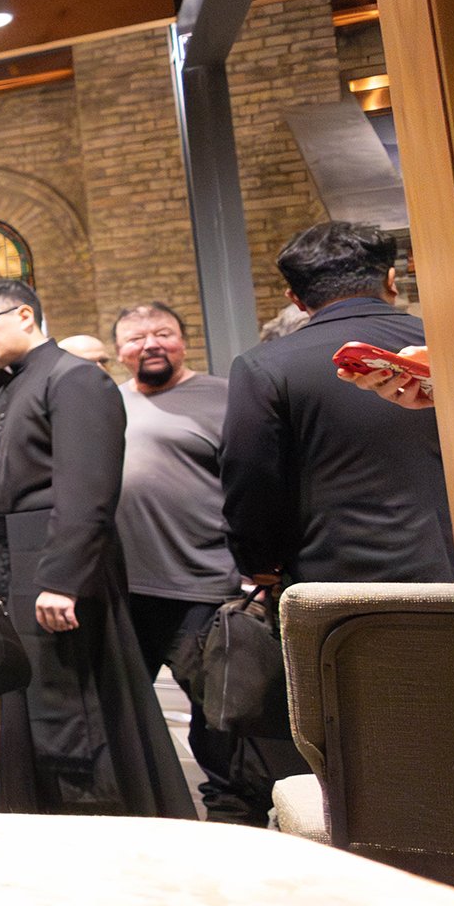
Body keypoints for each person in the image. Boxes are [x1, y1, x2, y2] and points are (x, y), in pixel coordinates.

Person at [0, 278, 195, 818]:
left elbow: (86, 490)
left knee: (74, 718)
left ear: (23, 315)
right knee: (40, 708)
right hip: (25, 570)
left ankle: (100, 828)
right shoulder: (12, 387)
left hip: (58, 575)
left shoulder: (74, 379)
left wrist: (61, 579)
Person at [111, 302, 308, 826]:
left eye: (163, 333)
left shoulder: (225, 396)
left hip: (206, 586)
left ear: (182, 340)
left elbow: (261, 481)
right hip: (125, 589)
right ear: (118, 351)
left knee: (219, 720)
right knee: (122, 712)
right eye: (135, 337)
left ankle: (233, 816)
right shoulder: (107, 403)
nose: (150, 344)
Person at [224, 222, 454, 584]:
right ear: (391, 281)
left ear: (296, 300)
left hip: (341, 581)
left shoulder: (263, 367)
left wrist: (256, 561)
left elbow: (251, 475)